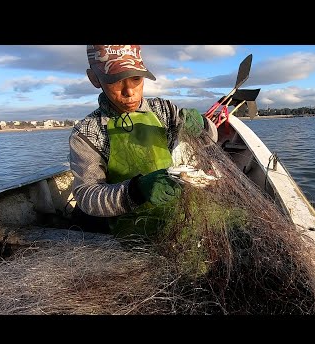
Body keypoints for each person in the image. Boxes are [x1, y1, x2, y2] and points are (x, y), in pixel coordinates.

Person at [69, 45, 218, 234]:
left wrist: (203, 126)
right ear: (94, 79)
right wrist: (135, 191)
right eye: (115, 81)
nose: (129, 92)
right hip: (131, 226)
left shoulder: (166, 111)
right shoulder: (87, 132)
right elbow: (87, 196)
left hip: (181, 213)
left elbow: (211, 139)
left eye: (136, 79)